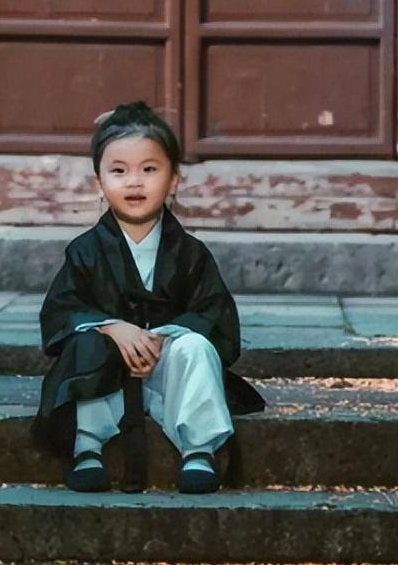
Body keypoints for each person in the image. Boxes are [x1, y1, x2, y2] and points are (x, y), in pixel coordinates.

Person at [31, 101, 265, 494]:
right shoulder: (85, 251)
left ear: (173, 179)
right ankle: (86, 447)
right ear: (99, 182)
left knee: (196, 346)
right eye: (119, 171)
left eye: (149, 169)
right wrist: (112, 328)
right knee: (86, 341)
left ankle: (199, 449)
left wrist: (163, 337)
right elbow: (61, 311)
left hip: (166, 368)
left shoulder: (190, 253)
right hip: (107, 369)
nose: (134, 182)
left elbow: (215, 314)